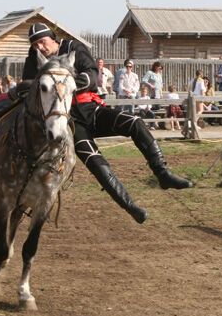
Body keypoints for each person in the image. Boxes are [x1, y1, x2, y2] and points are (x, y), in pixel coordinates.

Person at [22, 22, 193, 224]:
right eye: (35, 45)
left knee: (135, 122)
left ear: (53, 38)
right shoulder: (35, 59)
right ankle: (129, 205)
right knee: (95, 161)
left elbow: (92, 74)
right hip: (68, 121)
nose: (39, 48)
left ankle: (162, 173)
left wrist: (68, 84)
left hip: (92, 109)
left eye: (42, 42)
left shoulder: (73, 48)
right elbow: (28, 88)